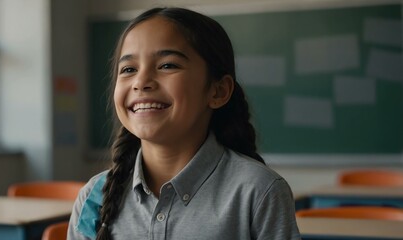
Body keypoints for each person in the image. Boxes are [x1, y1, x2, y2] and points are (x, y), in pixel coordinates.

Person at [68, 7, 300, 240]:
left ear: (218, 91)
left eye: (167, 65)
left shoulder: (259, 191)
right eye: (128, 69)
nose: (141, 82)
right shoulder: (95, 197)